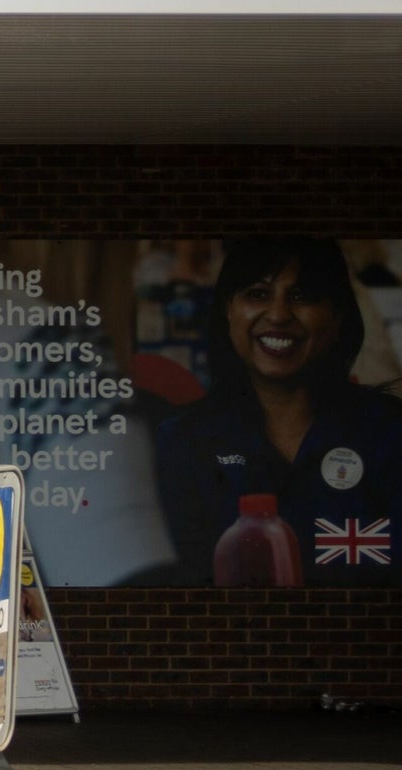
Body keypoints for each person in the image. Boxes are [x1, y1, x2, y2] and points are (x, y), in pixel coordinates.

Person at [153, 238, 402, 585]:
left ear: (338, 315)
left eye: (302, 296)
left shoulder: (390, 433)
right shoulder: (183, 443)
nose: (279, 314)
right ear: (228, 309)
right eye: (257, 294)